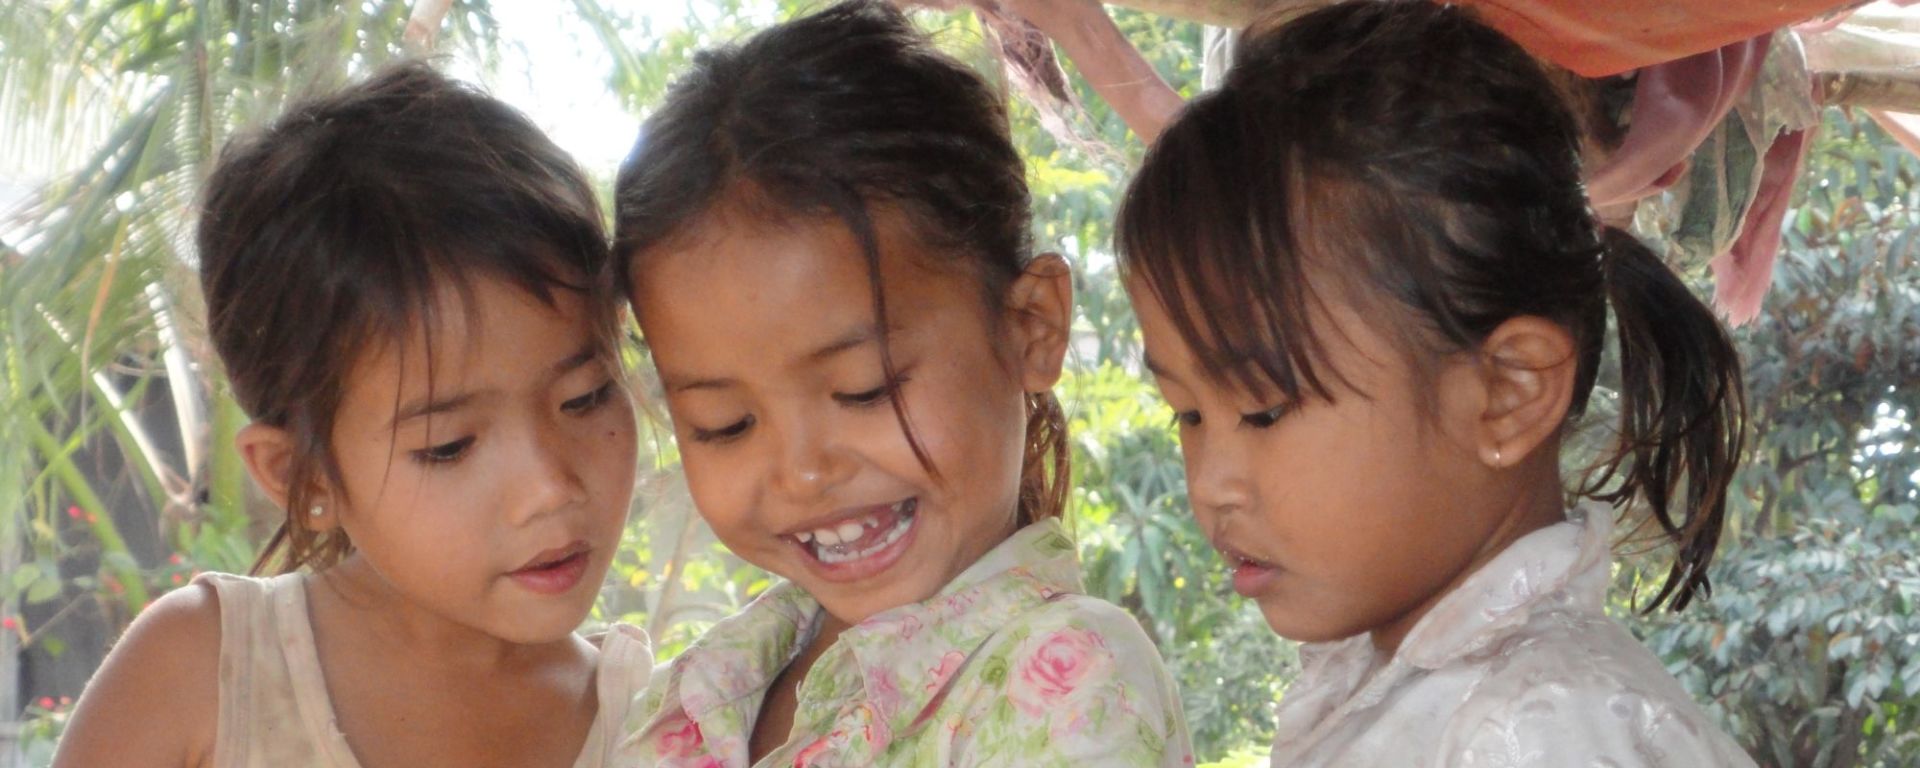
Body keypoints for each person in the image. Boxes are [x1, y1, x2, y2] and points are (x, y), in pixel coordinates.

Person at [1116, 3, 1757, 764]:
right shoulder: (1424, 691)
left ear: (1509, 394)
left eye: (1262, 411)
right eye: (1187, 415)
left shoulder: (1540, 730)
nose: (1210, 485)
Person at [611, 2, 1192, 765]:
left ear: (1031, 327)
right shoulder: (701, 683)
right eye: (724, 424)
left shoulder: (1070, 677)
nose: (802, 471)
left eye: (865, 388)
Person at [54, 61, 651, 768]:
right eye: (449, 445)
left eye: (586, 396)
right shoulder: (205, 675)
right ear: (304, 477)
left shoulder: (658, 722)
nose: (550, 487)